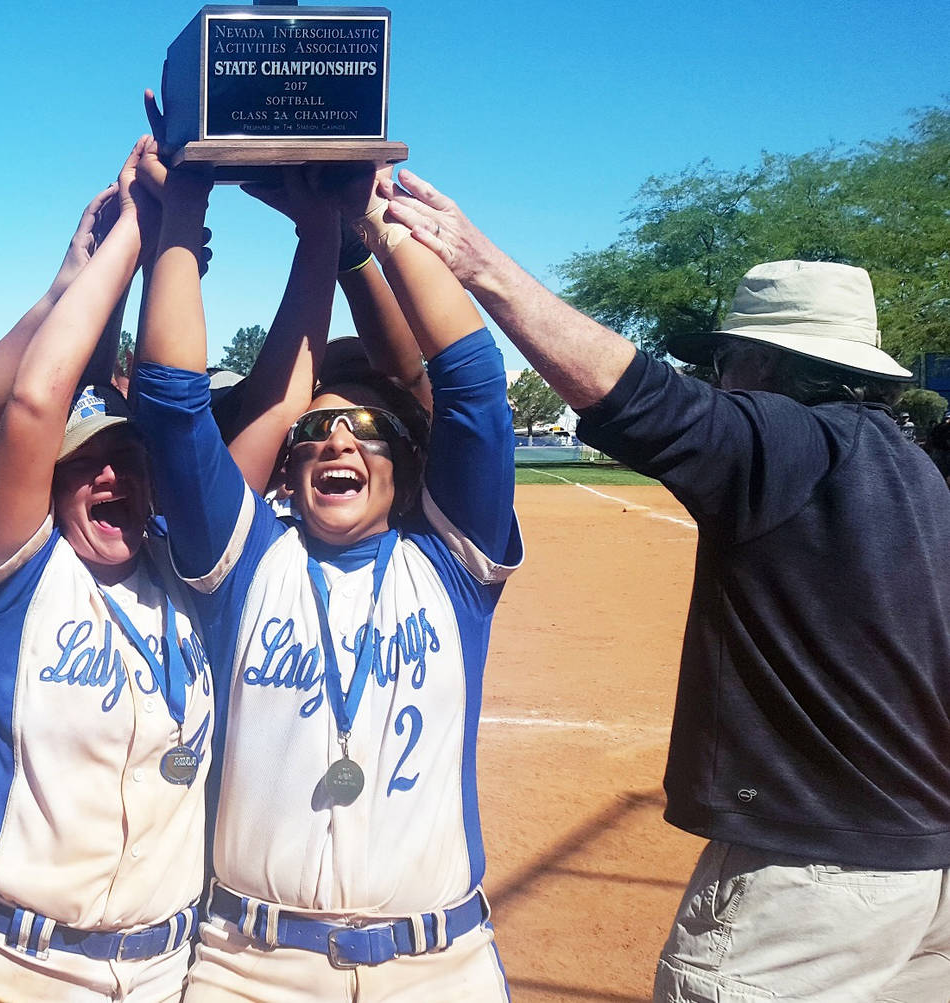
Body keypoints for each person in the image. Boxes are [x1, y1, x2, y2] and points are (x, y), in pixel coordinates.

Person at [383, 174, 950, 1001]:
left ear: (764, 362)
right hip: (923, 860)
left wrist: (480, 265)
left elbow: (637, 396)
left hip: (813, 872)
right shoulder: (908, 465)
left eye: (726, 361)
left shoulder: (777, 441)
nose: (718, 379)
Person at [132, 143, 520, 1000]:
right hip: (251, 968)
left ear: (408, 466)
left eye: (366, 427)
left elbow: (474, 389)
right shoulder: (243, 566)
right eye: (314, 429)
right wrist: (184, 214)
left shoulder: (452, 569)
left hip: (437, 966)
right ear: (288, 466)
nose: (338, 439)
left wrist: (369, 224)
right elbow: (169, 401)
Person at [0, 139, 213, 1003]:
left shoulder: (194, 580)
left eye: (130, 458)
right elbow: (32, 403)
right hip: (14, 969)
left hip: (162, 970)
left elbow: (191, 403)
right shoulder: (12, 578)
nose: (111, 474)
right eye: (85, 462)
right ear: (44, 487)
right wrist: (139, 225)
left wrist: (181, 253)